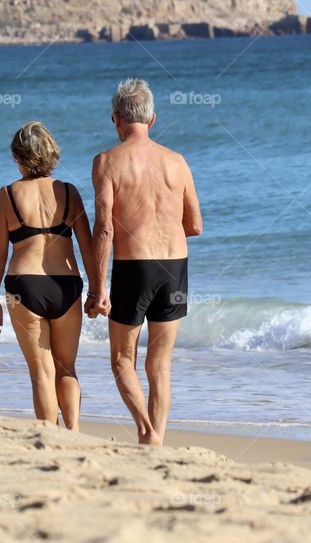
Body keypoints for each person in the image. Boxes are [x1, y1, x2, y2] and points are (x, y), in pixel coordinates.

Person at [87, 78, 203, 446]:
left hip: (132, 267)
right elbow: (195, 225)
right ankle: (157, 441)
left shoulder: (106, 162)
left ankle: (145, 431)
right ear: (152, 119)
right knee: (161, 364)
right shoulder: (178, 161)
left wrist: (99, 287)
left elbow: (104, 229)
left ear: (116, 119)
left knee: (123, 360)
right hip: (175, 267)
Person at [0, 121, 96, 431]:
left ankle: (50, 436)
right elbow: (88, 248)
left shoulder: (7, 195)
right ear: (50, 153)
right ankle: (73, 432)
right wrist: (97, 289)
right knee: (66, 368)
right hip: (66, 285)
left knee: (41, 371)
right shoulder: (68, 191)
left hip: (24, 286)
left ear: (18, 157)